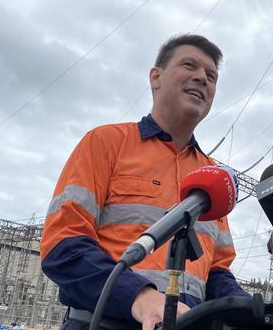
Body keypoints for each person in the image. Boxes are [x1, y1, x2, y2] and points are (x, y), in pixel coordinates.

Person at [41, 34, 249, 330]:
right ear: (156, 77)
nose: (202, 78)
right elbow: (63, 246)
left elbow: (216, 271)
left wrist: (245, 311)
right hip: (104, 322)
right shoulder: (105, 143)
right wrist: (138, 297)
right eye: (189, 65)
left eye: (211, 76)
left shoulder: (213, 178)